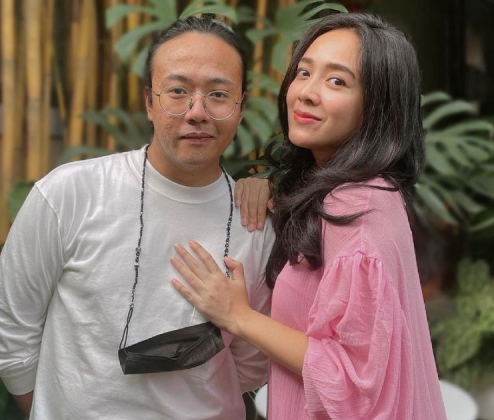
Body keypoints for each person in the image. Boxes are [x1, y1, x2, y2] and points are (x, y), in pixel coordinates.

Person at [0, 16, 275, 419]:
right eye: (178, 91)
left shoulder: (256, 221)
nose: (197, 111)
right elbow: (8, 330)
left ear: (241, 107)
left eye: (218, 94)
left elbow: (253, 361)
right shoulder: (71, 193)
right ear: (149, 102)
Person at [171, 12, 447, 419]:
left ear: (378, 106)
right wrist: (273, 190)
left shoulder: (356, 211)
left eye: (337, 81)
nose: (307, 93)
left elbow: (353, 383)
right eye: (304, 72)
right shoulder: (363, 193)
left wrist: (238, 317)